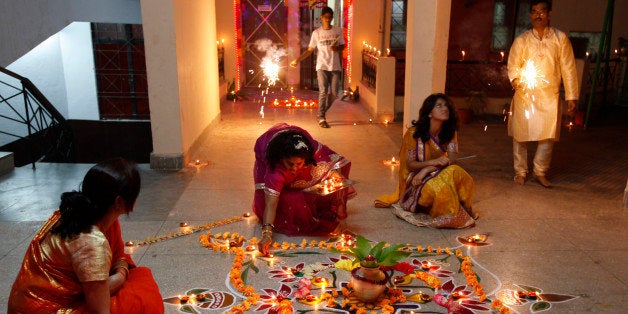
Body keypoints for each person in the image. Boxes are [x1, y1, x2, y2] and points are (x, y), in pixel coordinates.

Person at [8, 158, 164, 314]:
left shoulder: (78, 214)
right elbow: (99, 311)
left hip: (28, 303)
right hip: (50, 309)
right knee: (141, 297)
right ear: (118, 202)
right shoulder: (92, 242)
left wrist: (121, 272)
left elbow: (118, 256)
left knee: (139, 277)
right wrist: (119, 279)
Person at [374, 93, 476, 229]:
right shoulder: (413, 134)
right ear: (429, 113)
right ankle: (448, 214)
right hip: (416, 177)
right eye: (439, 105)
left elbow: (451, 160)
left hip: (437, 171)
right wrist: (429, 166)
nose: (444, 108)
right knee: (440, 186)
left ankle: (456, 208)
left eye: (446, 105)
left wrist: (428, 169)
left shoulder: (450, 132)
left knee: (458, 172)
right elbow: (410, 165)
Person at [254, 123, 356, 255]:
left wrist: (342, 219)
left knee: (331, 180)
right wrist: (267, 234)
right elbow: (271, 204)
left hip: (304, 149)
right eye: (290, 163)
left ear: (307, 159)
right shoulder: (275, 169)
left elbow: (336, 168)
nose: (294, 168)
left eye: (298, 164)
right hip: (269, 154)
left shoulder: (313, 151)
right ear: (282, 159)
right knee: (289, 201)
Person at [507, 0, 579, 187]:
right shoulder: (521, 40)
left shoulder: (560, 38)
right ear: (530, 15)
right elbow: (513, 65)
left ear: (549, 14)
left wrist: (572, 95)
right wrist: (516, 80)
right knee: (520, 136)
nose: (538, 15)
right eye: (534, 12)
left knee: (547, 136)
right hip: (525, 95)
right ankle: (520, 172)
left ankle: (540, 171)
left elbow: (568, 68)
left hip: (549, 95)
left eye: (542, 11)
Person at [290, 6, 345, 128]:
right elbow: (310, 50)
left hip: (335, 66)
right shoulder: (316, 33)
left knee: (335, 93)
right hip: (321, 66)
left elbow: (343, 46)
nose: (327, 20)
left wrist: (336, 48)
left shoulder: (337, 31)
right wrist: (297, 60)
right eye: (325, 17)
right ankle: (321, 118)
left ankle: (322, 111)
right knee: (323, 91)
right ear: (321, 18)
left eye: (330, 18)